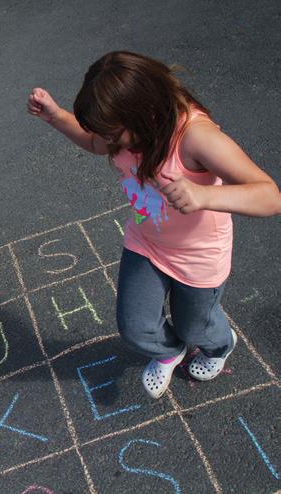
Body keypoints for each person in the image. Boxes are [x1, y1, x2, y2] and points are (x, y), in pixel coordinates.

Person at [27, 51, 281, 399]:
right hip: (146, 242)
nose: (108, 140)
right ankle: (169, 352)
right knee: (135, 327)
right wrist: (55, 117)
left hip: (198, 256)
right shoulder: (119, 132)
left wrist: (204, 197)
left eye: (113, 131)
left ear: (143, 113)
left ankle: (220, 346)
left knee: (197, 326)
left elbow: (270, 196)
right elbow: (92, 142)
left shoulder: (195, 136)